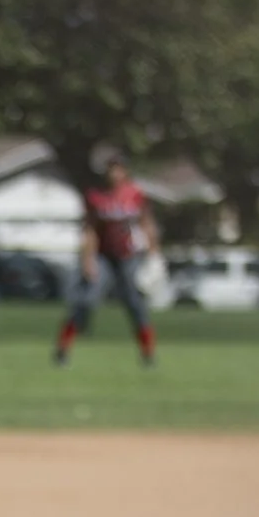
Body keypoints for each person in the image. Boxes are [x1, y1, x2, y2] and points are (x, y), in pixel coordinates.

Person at [54, 157, 161, 368]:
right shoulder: (96, 196)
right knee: (86, 299)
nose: (114, 174)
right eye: (111, 169)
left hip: (129, 256)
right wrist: (88, 259)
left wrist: (154, 254)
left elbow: (147, 223)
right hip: (103, 255)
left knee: (135, 304)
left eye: (118, 169)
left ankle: (148, 354)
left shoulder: (135, 194)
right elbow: (90, 229)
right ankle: (63, 349)